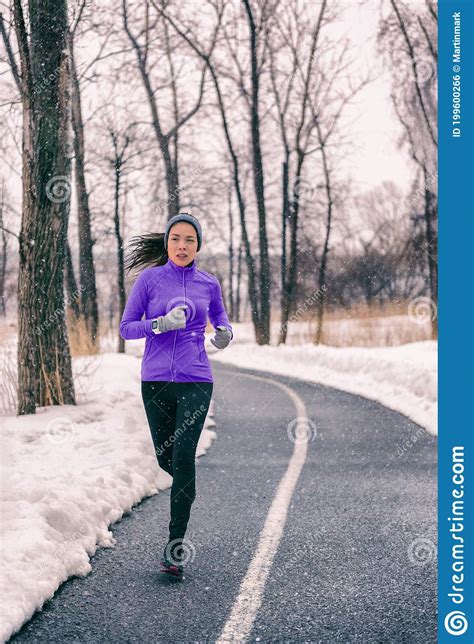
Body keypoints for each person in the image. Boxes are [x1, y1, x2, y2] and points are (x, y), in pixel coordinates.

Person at [119, 213, 233, 577]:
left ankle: (175, 547)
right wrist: (160, 325)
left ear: (198, 245)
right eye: (176, 239)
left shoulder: (208, 283)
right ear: (167, 243)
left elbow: (221, 319)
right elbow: (126, 328)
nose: (182, 246)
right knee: (167, 459)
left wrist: (225, 334)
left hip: (197, 379)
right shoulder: (149, 281)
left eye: (189, 240)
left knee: (183, 456)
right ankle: (187, 484)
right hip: (155, 381)